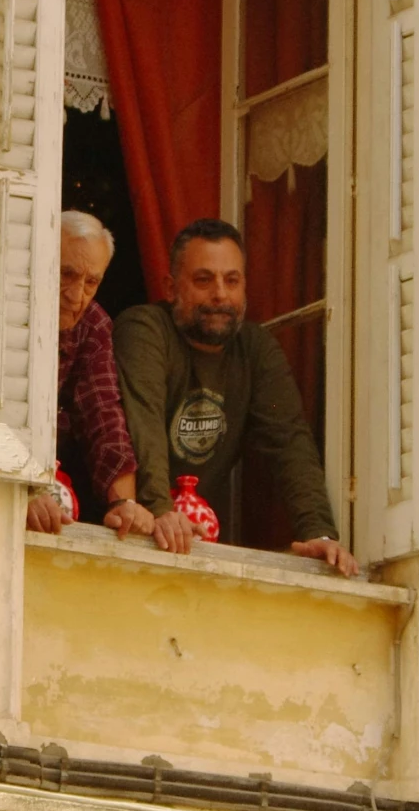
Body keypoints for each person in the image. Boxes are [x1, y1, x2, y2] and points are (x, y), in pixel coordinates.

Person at [113, 217, 359, 574]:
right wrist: (160, 509)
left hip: (192, 548)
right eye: (203, 280)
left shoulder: (256, 349)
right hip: (125, 536)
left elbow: (290, 442)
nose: (220, 294)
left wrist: (318, 532)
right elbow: (144, 424)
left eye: (232, 280)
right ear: (170, 287)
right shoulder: (145, 329)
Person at [26, 212, 155, 540]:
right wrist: (17, 490)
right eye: (66, 274)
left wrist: (124, 503)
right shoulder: (7, 308)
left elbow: (103, 415)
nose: (76, 294)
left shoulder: (94, 324)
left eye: (91, 282)